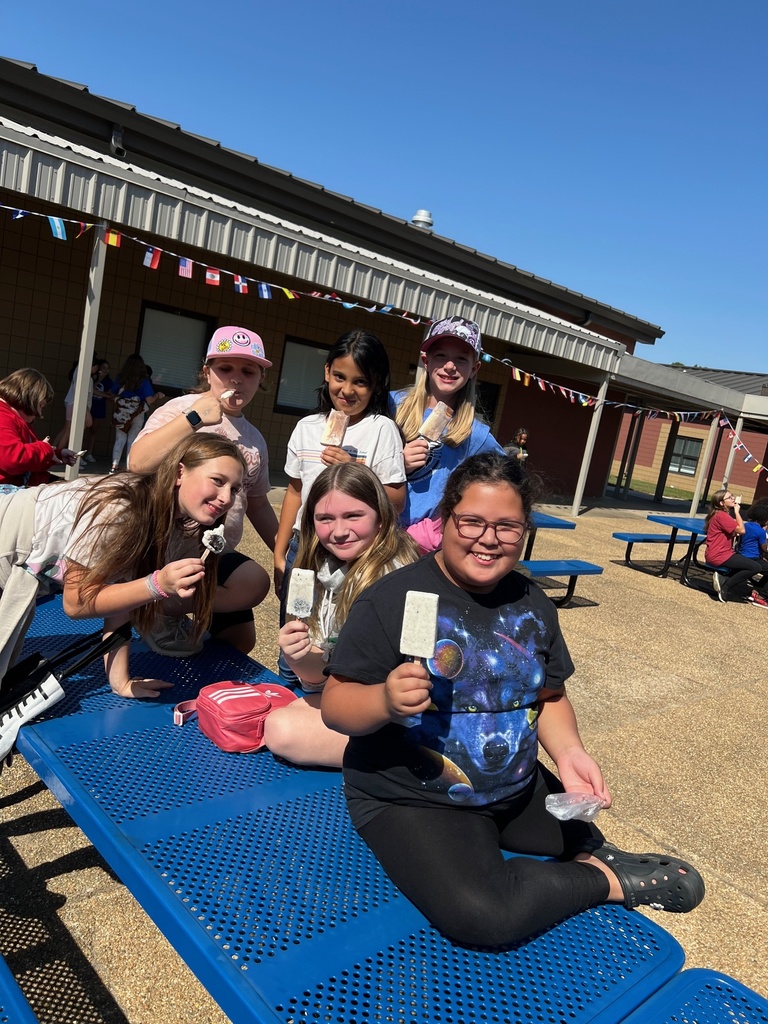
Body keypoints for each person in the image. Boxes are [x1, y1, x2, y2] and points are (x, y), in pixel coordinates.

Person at [320, 452, 705, 947]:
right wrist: (384, 701)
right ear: (443, 519)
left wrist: (569, 754)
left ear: (525, 531)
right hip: (414, 798)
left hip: (514, 789)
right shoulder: (392, 599)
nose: (488, 538)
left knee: (584, 833)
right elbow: (336, 704)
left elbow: (549, 695)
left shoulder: (534, 603)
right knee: (486, 918)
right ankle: (608, 882)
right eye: (472, 521)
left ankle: (591, 854)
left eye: (507, 526)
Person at [0, 434, 248, 761]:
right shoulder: (122, 508)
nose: (226, 497)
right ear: (178, 473)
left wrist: (120, 681)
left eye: (235, 488)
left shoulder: (169, 520)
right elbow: (77, 603)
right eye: (217, 481)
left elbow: (120, 593)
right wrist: (157, 584)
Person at [129, 326, 275, 654]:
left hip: (211, 554)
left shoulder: (254, 440)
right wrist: (193, 418)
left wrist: (284, 554)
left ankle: (170, 609)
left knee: (241, 637)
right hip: (163, 551)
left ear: (260, 379)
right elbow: (138, 462)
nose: (236, 379)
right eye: (225, 369)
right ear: (207, 371)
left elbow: (258, 504)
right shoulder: (180, 410)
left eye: (248, 371)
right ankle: (153, 606)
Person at [265, 463, 419, 767]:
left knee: (281, 730)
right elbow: (320, 679)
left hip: (402, 715)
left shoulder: (399, 580)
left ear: (380, 517)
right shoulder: (322, 570)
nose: (338, 531)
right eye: (325, 518)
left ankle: (408, 760)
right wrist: (299, 658)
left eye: (353, 516)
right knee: (283, 715)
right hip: (349, 697)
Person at [274, 328, 406, 606]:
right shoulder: (305, 428)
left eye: (360, 382)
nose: (347, 390)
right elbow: (295, 492)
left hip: (356, 549)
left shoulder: (382, 430)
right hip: (304, 543)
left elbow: (396, 501)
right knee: (297, 632)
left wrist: (357, 472)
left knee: (342, 633)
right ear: (326, 372)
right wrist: (280, 549)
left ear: (377, 385)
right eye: (339, 377)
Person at [392, 316, 503, 547]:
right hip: (375, 531)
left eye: (461, 359)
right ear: (426, 360)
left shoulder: (477, 435)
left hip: (424, 547)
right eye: (441, 355)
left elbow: (506, 479)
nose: (450, 366)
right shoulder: (391, 405)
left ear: (474, 369)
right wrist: (396, 463)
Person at [0, 368, 78, 486]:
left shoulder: (17, 418)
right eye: (41, 406)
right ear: (30, 399)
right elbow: (13, 459)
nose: (41, 414)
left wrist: (55, 454)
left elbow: (30, 455)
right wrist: (45, 449)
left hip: (21, 482)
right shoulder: (3, 416)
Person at [705, 489, 767, 605]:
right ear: (721, 503)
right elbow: (742, 530)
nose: (733, 498)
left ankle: (725, 578)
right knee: (755, 567)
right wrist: (737, 512)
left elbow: (736, 531)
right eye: (729, 498)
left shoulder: (722, 515)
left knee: (750, 565)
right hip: (719, 555)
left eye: (732, 496)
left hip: (724, 553)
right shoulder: (721, 516)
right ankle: (725, 586)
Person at [109, 354, 165, 473]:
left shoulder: (120, 378)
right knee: (132, 439)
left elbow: (112, 394)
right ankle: (129, 468)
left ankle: (114, 466)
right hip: (137, 413)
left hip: (122, 413)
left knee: (120, 438)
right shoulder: (143, 380)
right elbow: (149, 400)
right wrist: (157, 395)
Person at [52, 358, 99, 450]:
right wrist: (87, 413)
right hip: (79, 407)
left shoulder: (78, 372)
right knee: (76, 434)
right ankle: (69, 455)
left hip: (71, 403)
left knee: (66, 431)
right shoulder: (87, 378)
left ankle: (54, 451)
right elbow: (83, 396)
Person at [735, 498, 768, 608]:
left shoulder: (745, 525)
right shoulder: (761, 531)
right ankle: (762, 596)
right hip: (753, 559)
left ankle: (758, 589)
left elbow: (739, 541)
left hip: (742, 555)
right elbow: (765, 549)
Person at [82, 359, 112, 463]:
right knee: (83, 430)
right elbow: (91, 388)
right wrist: (100, 380)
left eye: (108, 368)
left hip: (100, 407)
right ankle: (79, 452)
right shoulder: (92, 378)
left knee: (93, 431)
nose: (105, 370)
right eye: (103, 367)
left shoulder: (108, 382)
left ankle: (89, 453)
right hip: (90, 406)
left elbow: (110, 395)